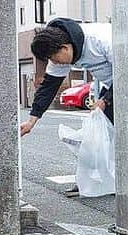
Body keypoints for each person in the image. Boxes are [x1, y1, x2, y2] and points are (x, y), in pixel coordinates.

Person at [20, 18, 115, 197]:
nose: (56, 63)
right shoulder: (60, 54)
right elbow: (49, 86)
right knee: (99, 137)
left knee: (123, 136)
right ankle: (94, 181)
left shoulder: (102, 39)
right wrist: (32, 120)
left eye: (54, 58)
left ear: (65, 47)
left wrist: (105, 100)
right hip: (111, 87)